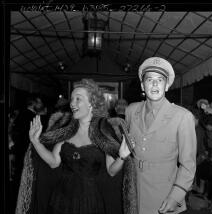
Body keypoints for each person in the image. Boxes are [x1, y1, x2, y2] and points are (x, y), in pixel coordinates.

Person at [16, 79, 138, 214]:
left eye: (78, 99)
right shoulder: (68, 129)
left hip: (89, 202)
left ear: (92, 103)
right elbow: (53, 162)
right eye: (72, 99)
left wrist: (122, 156)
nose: (72, 103)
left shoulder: (103, 130)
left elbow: (111, 171)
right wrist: (35, 141)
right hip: (61, 200)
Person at [125, 57, 197, 214]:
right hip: (134, 192)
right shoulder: (131, 111)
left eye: (160, 80)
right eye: (149, 79)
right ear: (143, 85)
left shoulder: (182, 117)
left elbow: (188, 164)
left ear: (167, 86)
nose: (155, 84)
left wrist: (176, 196)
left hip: (165, 195)